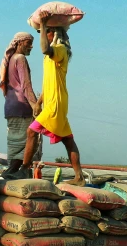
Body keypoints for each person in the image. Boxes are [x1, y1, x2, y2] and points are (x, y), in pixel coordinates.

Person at [15, 14, 84, 185]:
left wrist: (44, 23)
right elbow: (48, 83)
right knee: (68, 139)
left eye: (45, 32)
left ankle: (24, 169)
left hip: (56, 103)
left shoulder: (59, 50)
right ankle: (79, 177)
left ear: (53, 33)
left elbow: (45, 48)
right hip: (54, 101)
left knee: (31, 132)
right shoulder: (48, 58)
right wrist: (39, 102)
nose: (43, 34)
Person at [0, 32, 41, 176]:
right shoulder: (20, 58)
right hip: (23, 107)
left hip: (10, 107)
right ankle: (16, 170)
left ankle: (11, 171)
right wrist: (35, 105)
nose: (31, 46)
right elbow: (25, 85)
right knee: (29, 140)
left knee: (15, 142)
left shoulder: (10, 59)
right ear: (20, 43)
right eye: (28, 43)